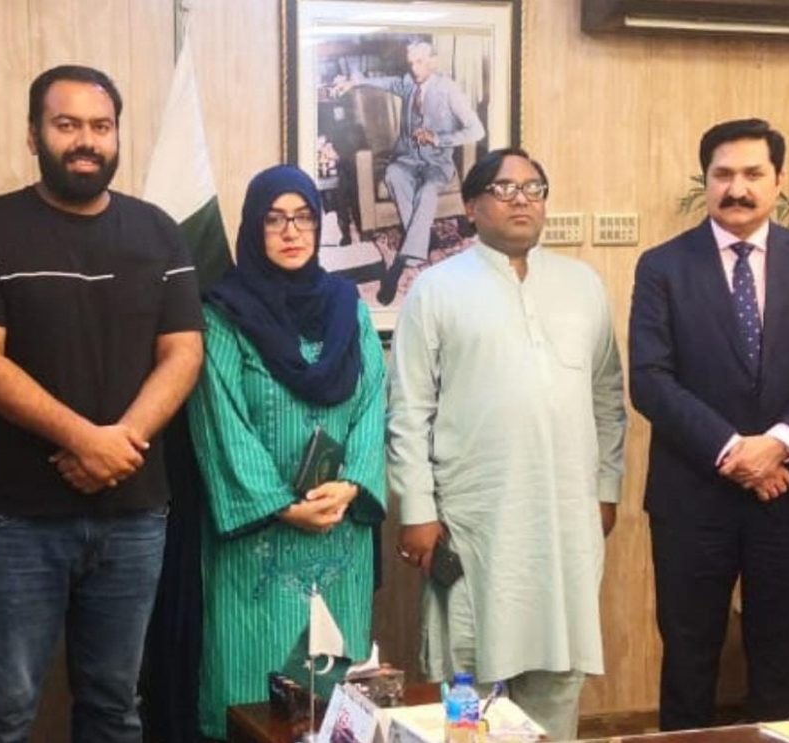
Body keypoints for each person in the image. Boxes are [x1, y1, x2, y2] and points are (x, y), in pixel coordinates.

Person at [0, 65, 204, 741]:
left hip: (134, 515)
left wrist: (119, 442)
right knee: (2, 712)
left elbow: (184, 353)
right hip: (18, 519)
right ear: (34, 135)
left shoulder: (160, 231)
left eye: (101, 126)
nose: (86, 140)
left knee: (115, 706)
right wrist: (87, 440)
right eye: (67, 124)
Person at [628, 118, 789, 729]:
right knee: (689, 661)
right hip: (693, 498)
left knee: (778, 664)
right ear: (705, 180)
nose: (738, 188)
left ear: (779, 180)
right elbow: (650, 380)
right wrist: (737, 452)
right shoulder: (662, 267)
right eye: (723, 174)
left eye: (753, 173)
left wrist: (778, 445)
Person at [388, 147, 626, 741]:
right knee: (469, 676)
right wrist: (416, 511)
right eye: (504, 188)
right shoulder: (436, 289)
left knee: (558, 676)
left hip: (564, 522)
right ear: (471, 207)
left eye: (534, 188)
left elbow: (607, 397)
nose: (522, 199)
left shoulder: (582, 285)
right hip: (475, 522)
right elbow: (409, 410)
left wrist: (606, 488)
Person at [187, 164, 386, 740]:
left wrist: (353, 483)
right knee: (254, 694)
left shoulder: (348, 307)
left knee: (335, 704)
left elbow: (375, 400)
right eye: (274, 219)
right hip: (259, 541)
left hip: (339, 533)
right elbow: (219, 419)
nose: (291, 232)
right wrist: (282, 505)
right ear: (253, 228)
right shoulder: (221, 314)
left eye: (303, 218)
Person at [339, 41, 485, 304]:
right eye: (411, 63)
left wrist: (439, 139)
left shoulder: (449, 90)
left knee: (428, 191)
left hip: (436, 164)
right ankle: (423, 241)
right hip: (407, 160)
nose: (415, 68)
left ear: (433, 61)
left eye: (420, 62)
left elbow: (477, 130)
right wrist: (355, 81)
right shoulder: (408, 83)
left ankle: (402, 262)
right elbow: (386, 82)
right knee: (393, 174)